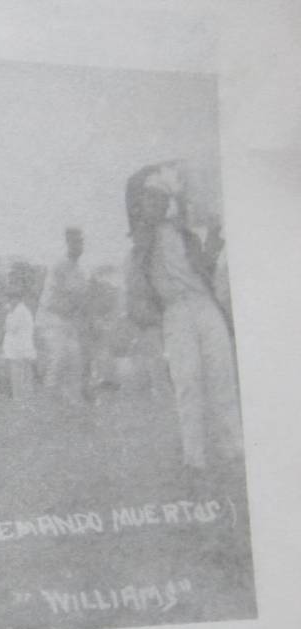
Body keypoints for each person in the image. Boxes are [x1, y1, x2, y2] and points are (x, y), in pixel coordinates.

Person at [124, 161, 241, 473]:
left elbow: (204, 265)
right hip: (175, 313)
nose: (156, 204)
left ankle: (232, 448)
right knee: (187, 380)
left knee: (221, 373)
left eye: (161, 199)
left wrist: (214, 239)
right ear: (141, 203)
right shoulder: (139, 242)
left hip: (203, 305)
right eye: (150, 199)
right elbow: (138, 292)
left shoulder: (183, 233)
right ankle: (195, 457)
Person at [37, 227, 90, 402]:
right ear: (68, 244)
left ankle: (73, 405)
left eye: (81, 242)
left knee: (75, 361)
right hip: (52, 318)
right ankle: (49, 403)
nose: (79, 246)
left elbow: (82, 300)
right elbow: (52, 300)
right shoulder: (59, 266)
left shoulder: (80, 271)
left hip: (69, 320)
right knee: (58, 358)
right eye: (75, 242)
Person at [2, 284, 37, 403]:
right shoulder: (21, 310)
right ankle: (25, 397)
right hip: (22, 345)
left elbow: (10, 328)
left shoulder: (18, 311)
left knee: (18, 373)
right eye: (8, 298)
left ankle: (19, 398)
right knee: (24, 372)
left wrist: (8, 314)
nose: (9, 301)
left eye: (11, 298)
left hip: (19, 346)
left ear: (17, 299)